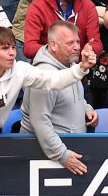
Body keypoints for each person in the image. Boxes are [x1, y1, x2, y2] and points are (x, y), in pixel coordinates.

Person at [20, 21, 98, 174]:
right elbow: (40, 121)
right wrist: (62, 155)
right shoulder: (43, 74)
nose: (76, 46)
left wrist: (87, 109)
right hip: (45, 158)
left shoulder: (70, 66)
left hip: (69, 152)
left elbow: (76, 99)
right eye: (70, 43)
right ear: (53, 45)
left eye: (77, 41)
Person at [0, 24, 96, 133]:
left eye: (13, 47)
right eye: (5, 48)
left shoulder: (20, 69)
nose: (12, 53)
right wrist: (1, 99)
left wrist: (82, 67)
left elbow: (54, 79)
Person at [23, 0, 102, 60]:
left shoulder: (88, 6)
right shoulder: (37, 7)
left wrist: (90, 49)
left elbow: (96, 43)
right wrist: (59, 51)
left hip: (78, 68)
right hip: (47, 69)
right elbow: (29, 48)